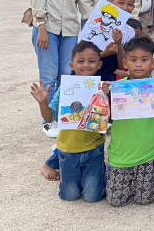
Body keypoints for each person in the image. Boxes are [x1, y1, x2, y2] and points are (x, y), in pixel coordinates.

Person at [105, 37, 154, 207]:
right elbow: (107, 118)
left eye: (144, 60)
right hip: (120, 155)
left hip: (148, 154)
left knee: (145, 199)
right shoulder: (118, 88)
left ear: (152, 63)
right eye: (133, 60)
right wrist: (105, 96)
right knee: (116, 201)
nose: (139, 64)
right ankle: (120, 176)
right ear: (125, 62)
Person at [30, 42, 107, 202]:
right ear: (72, 65)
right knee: (70, 196)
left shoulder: (103, 87)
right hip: (68, 151)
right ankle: (66, 174)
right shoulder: (65, 88)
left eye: (91, 61)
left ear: (99, 64)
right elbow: (50, 118)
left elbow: (110, 118)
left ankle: (100, 176)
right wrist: (43, 102)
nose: (86, 65)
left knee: (92, 197)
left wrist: (107, 96)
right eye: (80, 61)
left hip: (94, 150)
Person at [29, 0, 83, 137]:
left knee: (67, 75)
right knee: (49, 76)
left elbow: (84, 3)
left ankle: (64, 118)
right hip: (48, 28)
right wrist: (40, 25)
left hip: (70, 29)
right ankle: (49, 121)